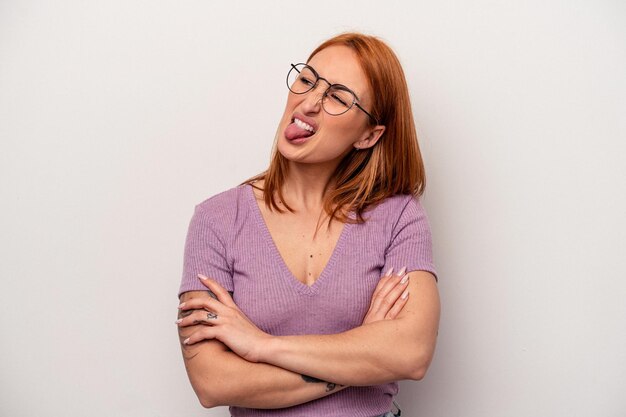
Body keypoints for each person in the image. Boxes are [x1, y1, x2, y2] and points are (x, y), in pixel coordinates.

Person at [175, 32, 440, 417]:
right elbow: (213, 383)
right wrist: (363, 354)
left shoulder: (398, 216)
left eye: (337, 97)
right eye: (307, 79)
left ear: (369, 135)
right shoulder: (216, 219)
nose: (309, 102)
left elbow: (411, 353)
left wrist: (261, 346)